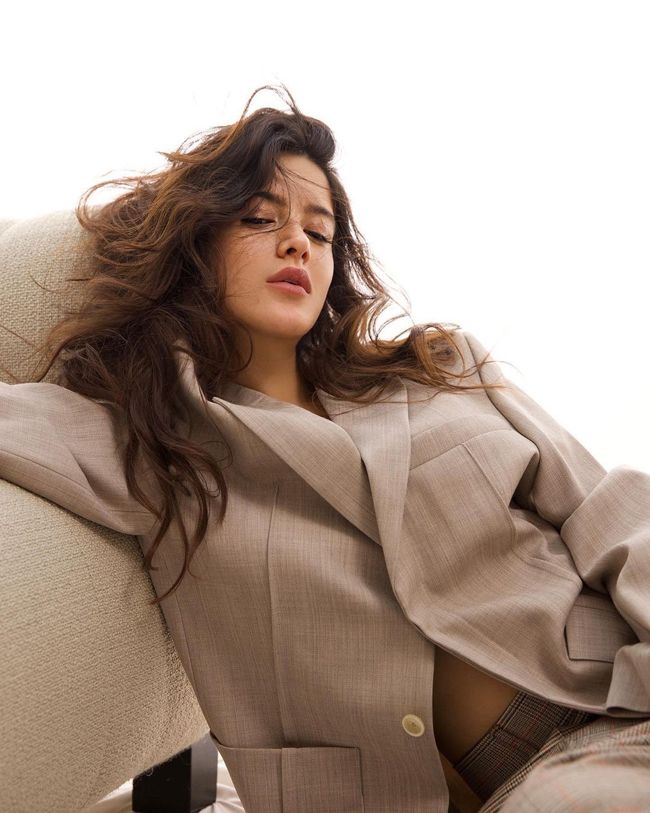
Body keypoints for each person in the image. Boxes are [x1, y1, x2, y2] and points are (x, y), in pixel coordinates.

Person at [1, 83, 649, 813]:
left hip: (621, 712)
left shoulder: (441, 370)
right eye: (258, 218)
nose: (297, 244)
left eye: (319, 231)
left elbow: (611, 512)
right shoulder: (153, 447)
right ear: (193, 243)